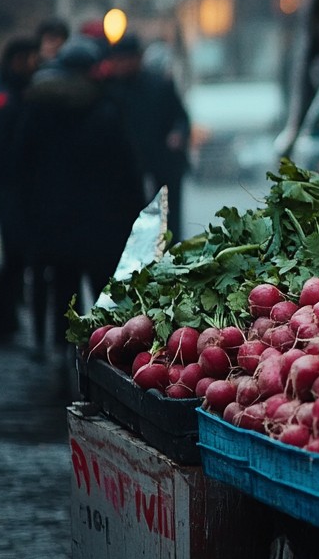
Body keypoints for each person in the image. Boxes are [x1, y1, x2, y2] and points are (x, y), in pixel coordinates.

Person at [15, 36, 144, 363]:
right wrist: (135, 215)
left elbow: (22, 168)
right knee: (106, 293)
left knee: (63, 292)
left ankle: (62, 351)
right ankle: (108, 354)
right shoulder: (106, 110)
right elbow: (127, 171)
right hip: (102, 225)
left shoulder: (39, 108)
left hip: (56, 224)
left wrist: (31, 216)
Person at [0, 36, 41, 344]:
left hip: (12, 187)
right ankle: (1, 319)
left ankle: (6, 317)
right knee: (11, 254)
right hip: (2, 187)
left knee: (15, 255)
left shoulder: (14, 89)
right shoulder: (0, 92)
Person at [102, 35, 191, 240]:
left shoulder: (158, 85)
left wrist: (177, 134)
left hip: (163, 164)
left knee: (168, 224)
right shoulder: (110, 90)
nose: (121, 65)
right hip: (127, 169)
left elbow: (181, 118)